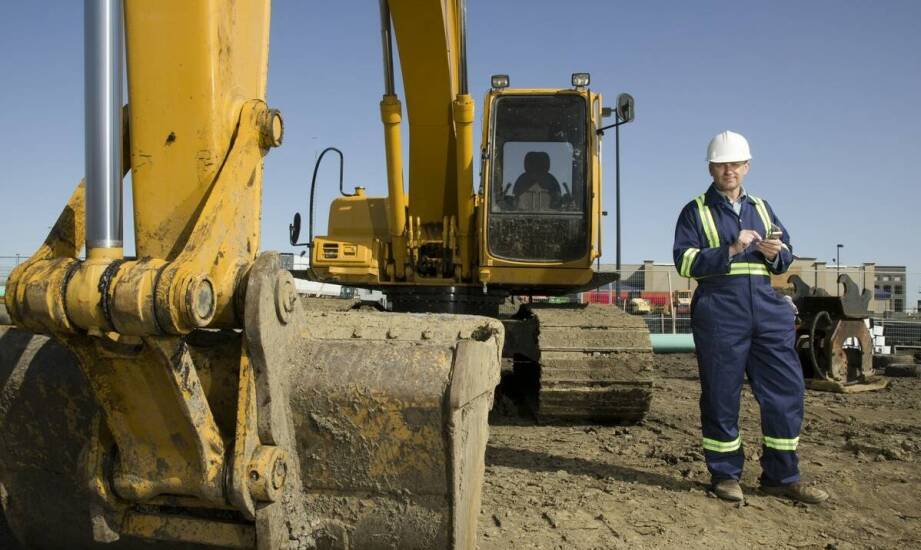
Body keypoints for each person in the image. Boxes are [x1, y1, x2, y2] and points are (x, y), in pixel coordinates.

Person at [672, 130, 828, 504]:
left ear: (747, 166)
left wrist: (776, 253)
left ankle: (782, 476)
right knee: (722, 394)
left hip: (766, 305)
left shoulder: (762, 206)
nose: (730, 170)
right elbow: (684, 261)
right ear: (712, 168)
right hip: (720, 308)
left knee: (786, 391)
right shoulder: (695, 210)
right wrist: (731, 247)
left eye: (737, 164)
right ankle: (726, 476)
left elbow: (786, 251)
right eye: (723, 164)